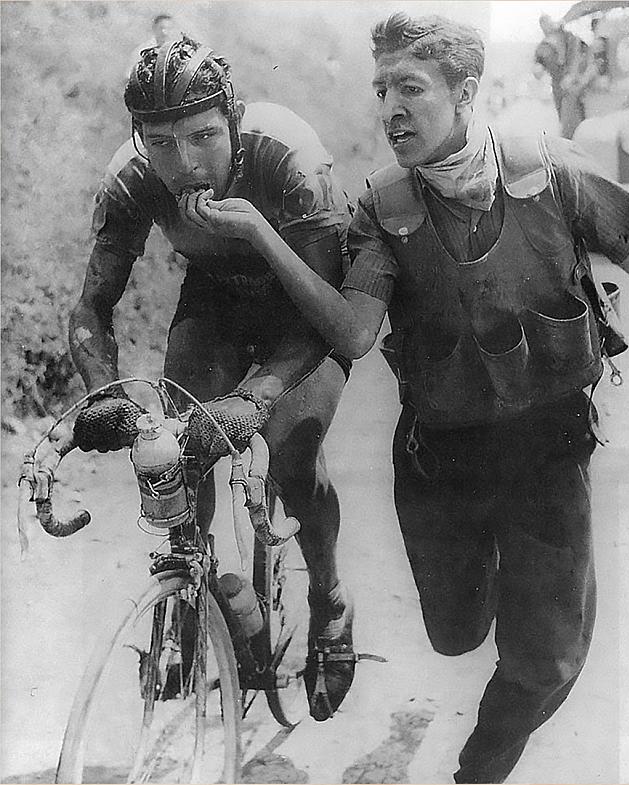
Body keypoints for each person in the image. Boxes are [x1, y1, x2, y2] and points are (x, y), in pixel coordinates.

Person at [191, 12, 629, 783]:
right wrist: (258, 235)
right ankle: (516, 586)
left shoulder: (550, 167)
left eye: (410, 86)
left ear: (466, 89)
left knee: (548, 658)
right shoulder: (385, 207)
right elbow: (354, 330)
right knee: (454, 634)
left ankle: (478, 769)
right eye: (380, 89)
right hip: (443, 462)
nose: (390, 108)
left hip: (547, 450)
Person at [69, 36, 357, 722]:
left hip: (304, 312)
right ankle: (192, 599)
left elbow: (332, 309)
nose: (183, 163)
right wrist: (107, 390)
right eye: (160, 142)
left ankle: (330, 596)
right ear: (138, 136)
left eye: (202, 137)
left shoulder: (288, 154)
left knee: (291, 455)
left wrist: (258, 394)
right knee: (178, 448)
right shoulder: (133, 176)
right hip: (218, 300)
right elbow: (90, 306)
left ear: (232, 119)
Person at [125, 14, 181, 79]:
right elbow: (128, 76)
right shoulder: (141, 50)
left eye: (169, 29)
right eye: (161, 28)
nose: (164, 32)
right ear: (154, 28)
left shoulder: (177, 50)